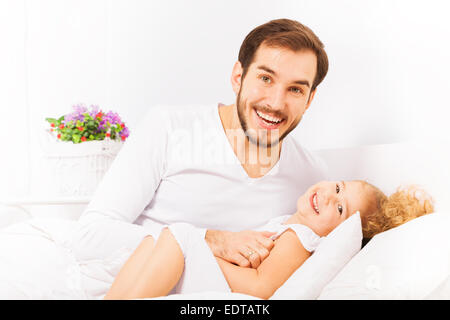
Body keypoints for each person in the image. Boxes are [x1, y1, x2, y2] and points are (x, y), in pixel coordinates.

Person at [69, 18, 330, 273]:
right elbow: (90, 236)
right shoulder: (169, 128)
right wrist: (211, 241)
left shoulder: (313, 182)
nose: (275, 103)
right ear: (238, 77)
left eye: (295, 89)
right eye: (265, 79)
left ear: (309, 99)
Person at [104, 180, 434, 300]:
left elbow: (262, 289)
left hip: (227, 286)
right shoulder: (288, 224)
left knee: (179, 236)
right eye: (338, 187)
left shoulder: (301, 237)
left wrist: (201, 249)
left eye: (339, 207)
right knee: (160, 238)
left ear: (336, 233)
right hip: (222, 275)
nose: (328, 196)